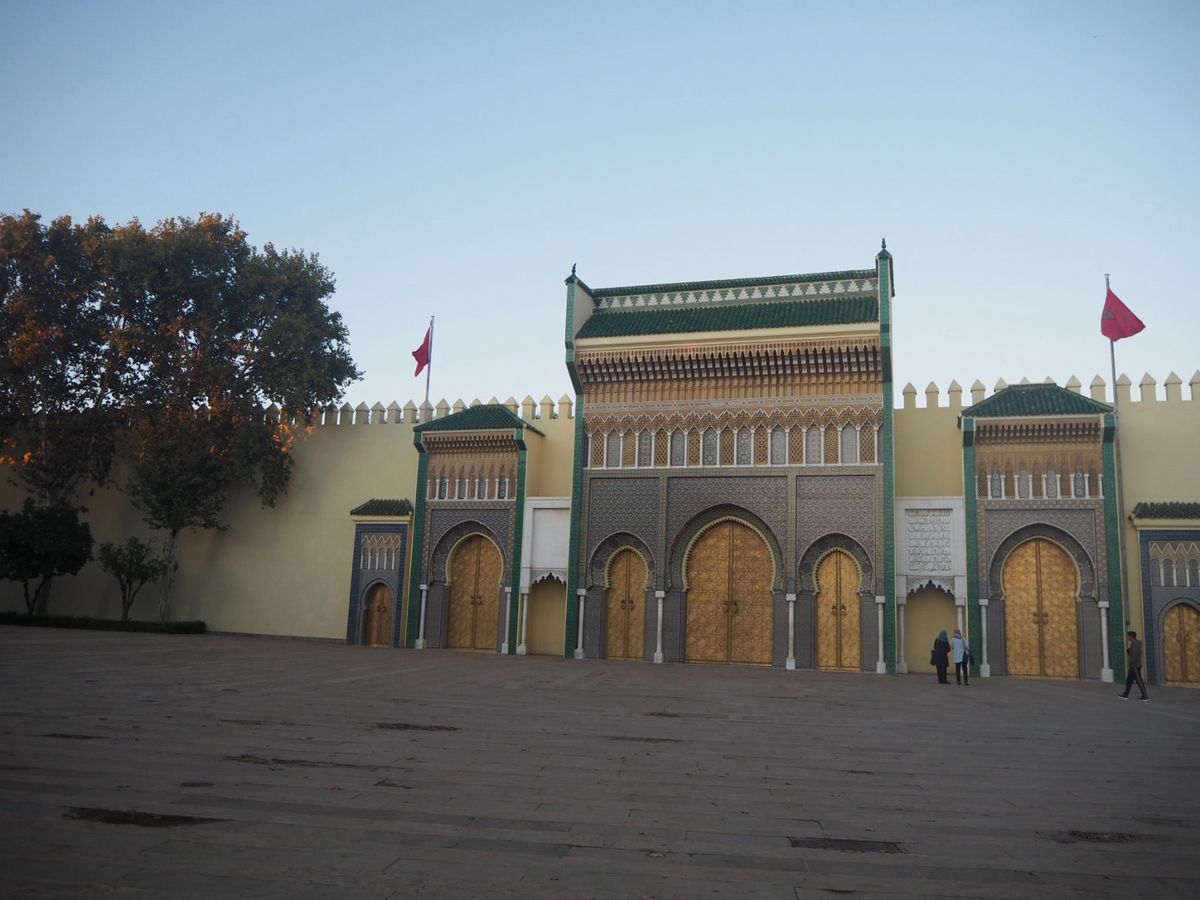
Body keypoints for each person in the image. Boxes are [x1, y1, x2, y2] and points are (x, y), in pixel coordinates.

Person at [1119, 629, 1149, 701]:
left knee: (1139, 681)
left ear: (1131, 636)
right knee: (1129, 680)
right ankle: (1125, 694)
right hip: (1133, 665)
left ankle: (1145, 695)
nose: (1127, 638)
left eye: (1128, 636)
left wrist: (1130, 662)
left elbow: (1135, 656)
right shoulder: (1134, 644)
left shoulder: (1135, 644)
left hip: (1135, 666)